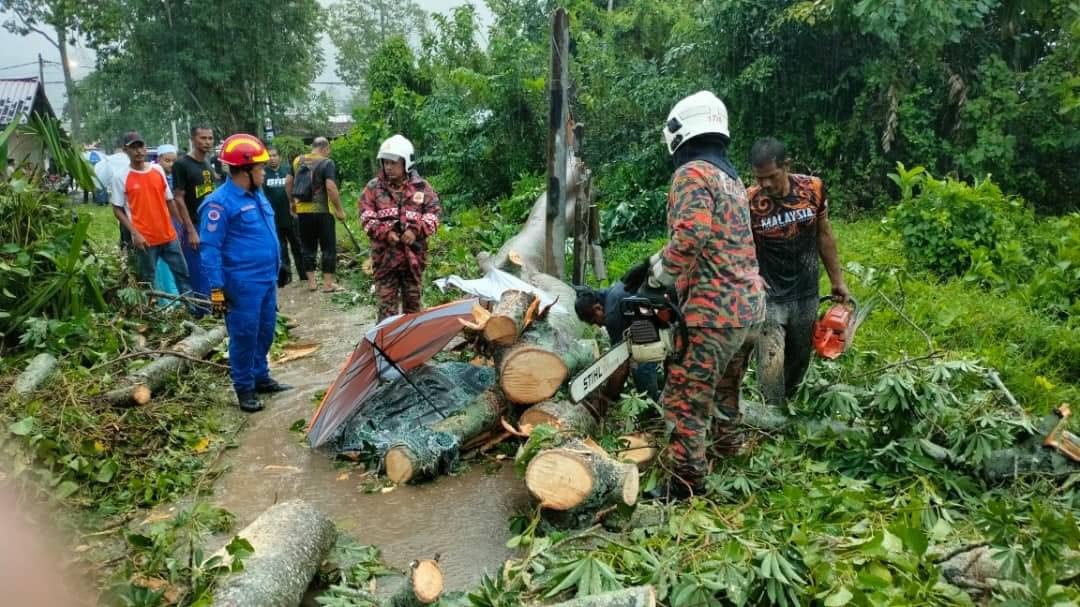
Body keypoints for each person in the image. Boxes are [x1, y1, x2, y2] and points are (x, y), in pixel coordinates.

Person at [626, 91, 765, 497]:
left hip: (713, 312)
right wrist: (654, 263)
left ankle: (687, 482)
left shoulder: (691, 175)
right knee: (725, 389)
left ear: (679, 132)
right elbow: (718, 237)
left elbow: (691, 235)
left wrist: (656, 280)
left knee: (684, 399)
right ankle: (727, 450)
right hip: (749, 308)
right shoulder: (731, 178)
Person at [747, 138, 850, 410]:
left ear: (786, 165)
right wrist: (749, 276)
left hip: (806, 291)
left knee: (800, 356)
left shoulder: (812, 189)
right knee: (770, 359)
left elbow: (824, 234)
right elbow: (740, 246)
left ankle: (787, 405)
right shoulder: (749, 201)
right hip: (769, 295)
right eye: (760, 178)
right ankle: (770, 414)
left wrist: (837, 281)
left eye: (771, 176)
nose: (765, 185)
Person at [199, 134, 292, 413]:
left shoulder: (257, 195)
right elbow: (210, 248)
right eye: (260, 168)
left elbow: (267, 232)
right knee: (244, 335)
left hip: (265, 279)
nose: (264, 172)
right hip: (240, 284)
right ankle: (244, 387)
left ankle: (260, 376)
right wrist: (217, 288)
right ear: (244, 171)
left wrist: (281, 263)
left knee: (265, 332)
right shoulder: (219, 204)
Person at [359, 134, 441, 321]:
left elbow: (434, 213)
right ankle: (386, 347)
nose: (388, 167)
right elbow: (366, 217)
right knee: (386, 312)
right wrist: (385, 233)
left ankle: (412, 348)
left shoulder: (422, 188)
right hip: (385, 262)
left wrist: (415, 230)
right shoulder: (373, 188)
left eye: (393, 163)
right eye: (385, 163)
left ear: (406, 162)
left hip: (413, 261)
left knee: (413, 310)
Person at [109, 131, 193, 297]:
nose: (138, 151)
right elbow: (117, 209)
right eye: (133, 148)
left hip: (168, 236)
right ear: (126, 151)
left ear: (146, 148)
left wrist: (180, 224)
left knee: (183, 275)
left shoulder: (157, 170)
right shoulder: (121, 177)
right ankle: (152, 315)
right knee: (148, 281)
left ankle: (192, 310)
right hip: (145, 240)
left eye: (140, 146)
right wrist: (135, 234)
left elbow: (169, 200)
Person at [574, 283, 662, 402]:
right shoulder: (609, 294)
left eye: (595, 320)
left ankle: (652, 408)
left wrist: (608, 396)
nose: (598, 325)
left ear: (597, 308)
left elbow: (621, 363)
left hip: (659, 319)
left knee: (641, 367)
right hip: (652, 317)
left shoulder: (611, 315)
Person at [288, 136, 346, 292]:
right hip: (323, 212)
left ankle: (312, 283)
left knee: (307, 247)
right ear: (325, 148)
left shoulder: (297, 161)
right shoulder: (327, 163)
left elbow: (288, 182)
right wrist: (339, 210)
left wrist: (292, 203)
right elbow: (331, 188)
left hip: (303, 212)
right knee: (328, 247)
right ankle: (328, 284)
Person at [173, 125, 219, 307]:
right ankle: (202, 312)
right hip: (195, 226)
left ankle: (217, 309)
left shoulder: (208, 164)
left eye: (210, 138)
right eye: (203, 138)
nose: (207, 142)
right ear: (193, 139)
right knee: (199, 271)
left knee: (213, 269)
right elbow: (178, 198)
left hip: (211, 225)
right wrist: (190, 229)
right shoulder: (181, 164)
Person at [264, 147, 304, 287]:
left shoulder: (288, 170)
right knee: (281, 250)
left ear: (279, 157)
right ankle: (285, 279)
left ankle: (303, 276)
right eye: (269, 156)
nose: (272, 158)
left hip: (291, 217)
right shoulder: (263, 174)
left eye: (274, 155)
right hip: (274, 219)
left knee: (298, 247)